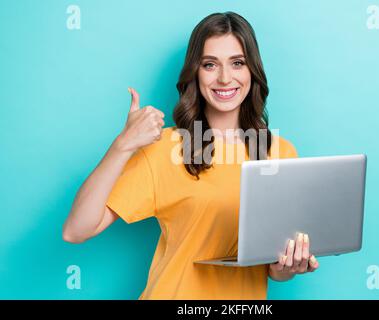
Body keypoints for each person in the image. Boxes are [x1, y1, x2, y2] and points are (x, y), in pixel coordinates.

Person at [62, 11, 319, 300]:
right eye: (210, 64)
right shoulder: (165, 149)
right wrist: (122, 145)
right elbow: (76, 230)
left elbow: (274, 269)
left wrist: (289, 265)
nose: (224, 78)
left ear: (252, 71)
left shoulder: (280, 152)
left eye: (237, 63)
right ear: (196, 72)